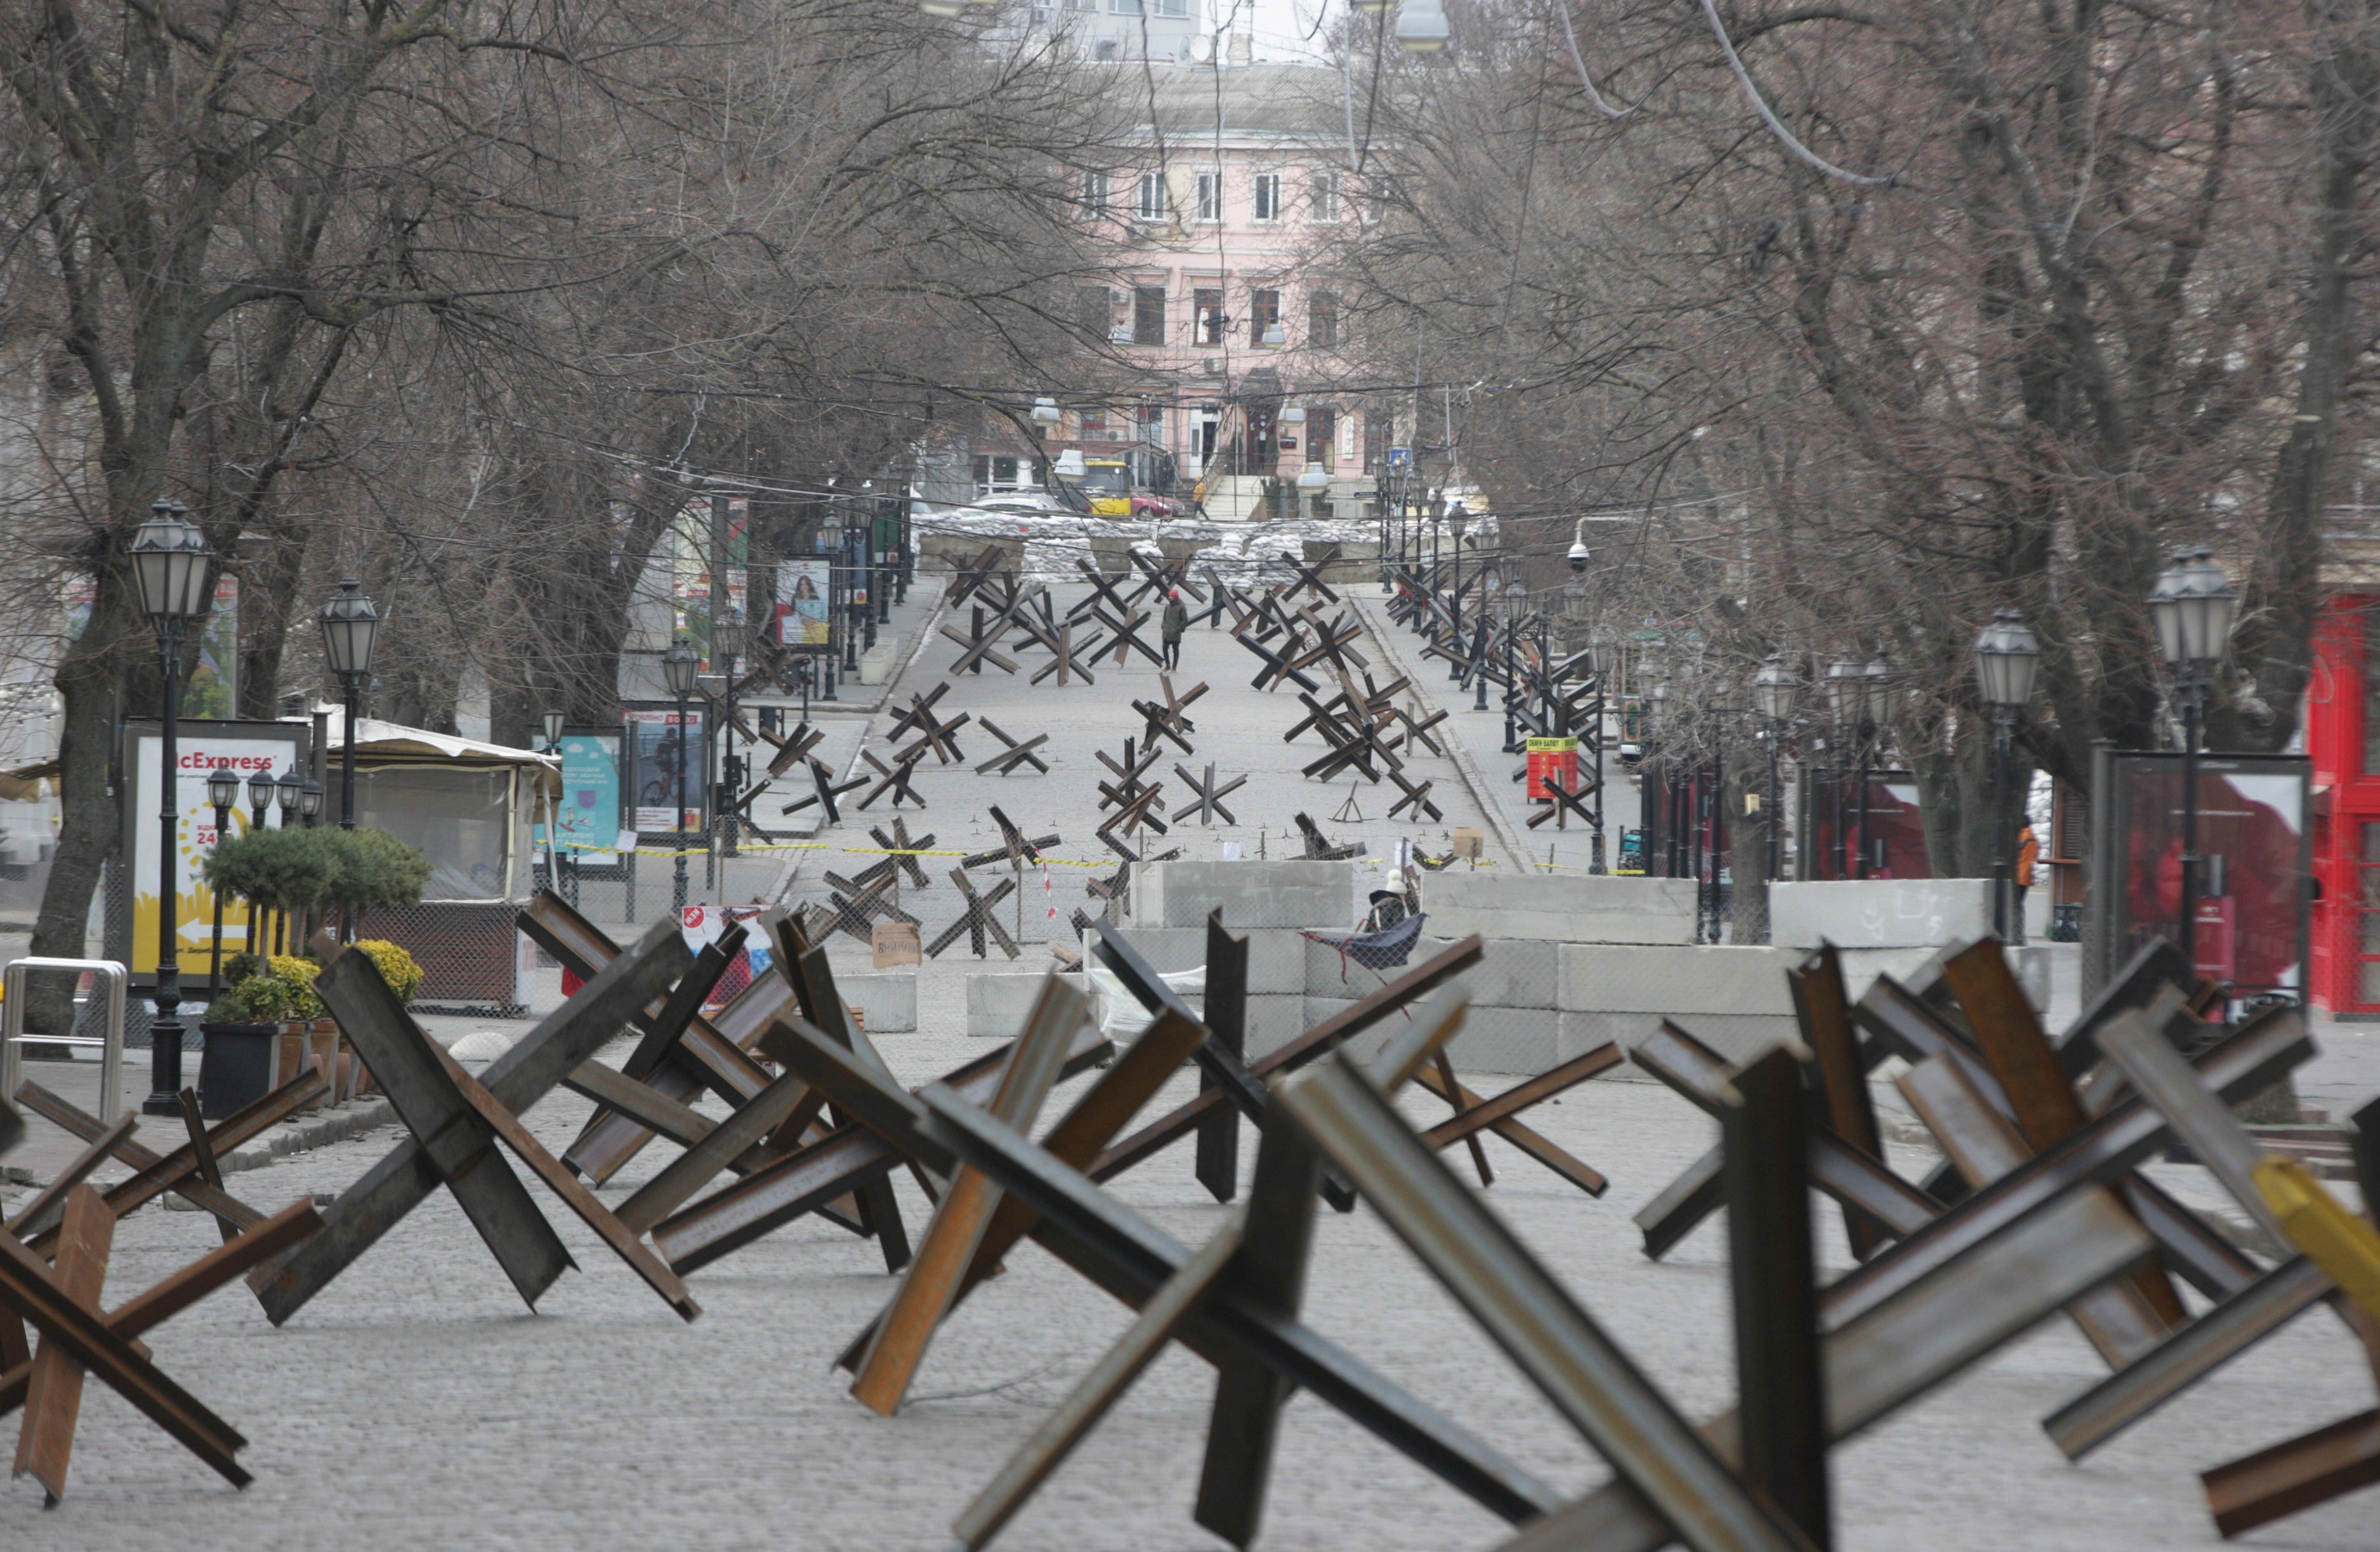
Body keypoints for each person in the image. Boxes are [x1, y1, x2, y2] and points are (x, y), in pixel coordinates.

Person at [2014, 822, 2038, 942]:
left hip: (2018, 874)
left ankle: (2017, 932)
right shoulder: (2032, 836)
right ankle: (2020, 933)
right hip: (2027, 876)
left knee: (2015, 905)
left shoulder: (2020, 836)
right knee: (2020, 904)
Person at [1160, 588, 1188, 669]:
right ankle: (1168, 665)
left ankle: (1174, 667)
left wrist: (1178, 629)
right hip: (1166, 632)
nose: (1169, 597)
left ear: (1175, 597)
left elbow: (1185, 620)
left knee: (1175, 650)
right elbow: (1164, 618)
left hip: (1176, 633)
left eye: (1171, 596)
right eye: (1169, 596)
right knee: (1165, 648)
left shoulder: (1182, 608)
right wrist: (1163, 626)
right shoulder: (1168, 607)